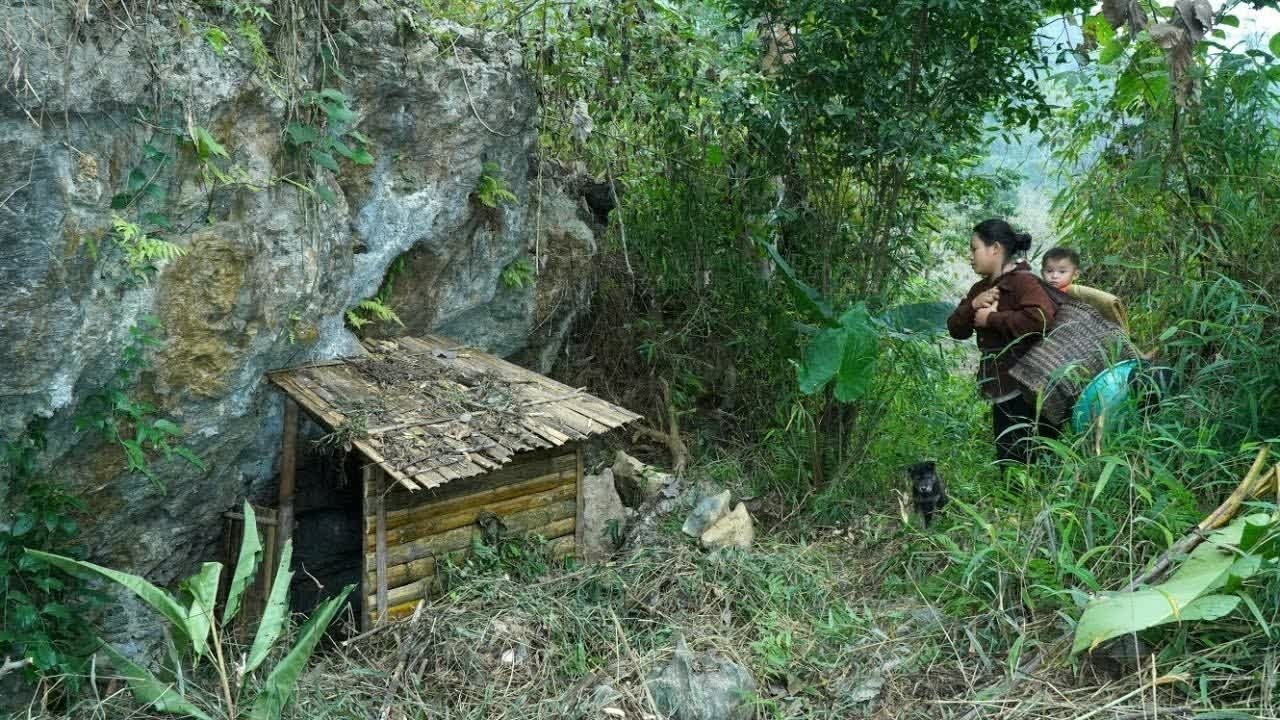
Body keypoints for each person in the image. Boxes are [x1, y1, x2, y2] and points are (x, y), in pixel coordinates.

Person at [948, 219, 1058, 468]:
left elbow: (1040, 318)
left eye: (974, 248)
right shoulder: (980, 288)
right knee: (1010, 459)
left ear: (995, 248)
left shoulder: (1023, 282)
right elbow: (956, 329)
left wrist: (991, 319)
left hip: (1027, 386)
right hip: (1001, 386)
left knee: (1025, 459)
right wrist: (973, 306)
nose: (970, 256)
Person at [1041, 246, 1130, 332]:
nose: (1054, 276)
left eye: (1062, 272)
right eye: (1049, 271)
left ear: (1075, 275)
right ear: (1042, 272)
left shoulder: (1079, 293)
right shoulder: (1040, 290)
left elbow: (1107, 303)